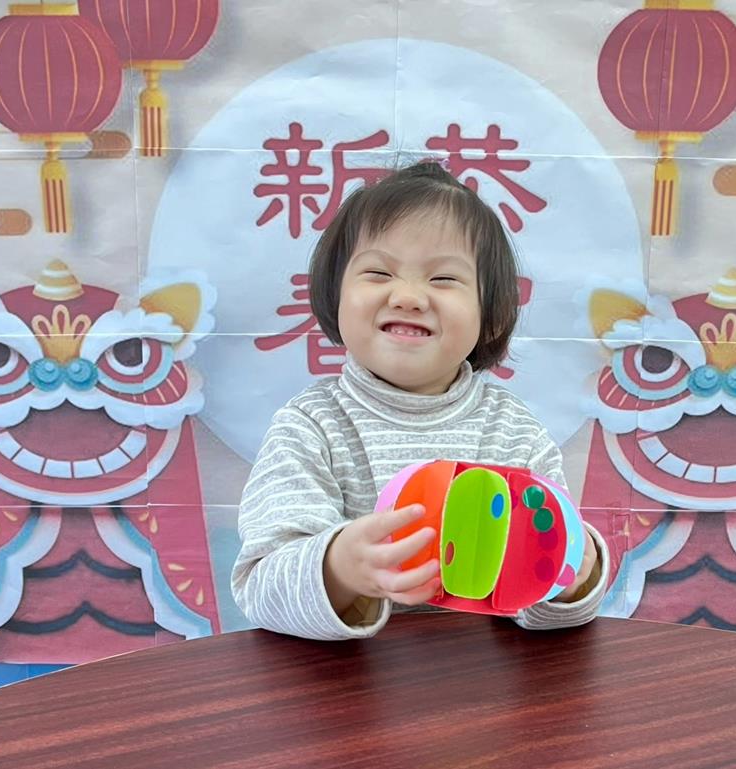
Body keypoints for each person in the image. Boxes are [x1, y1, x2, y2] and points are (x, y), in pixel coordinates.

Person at [232, 160, 609, 640]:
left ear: (491, 316)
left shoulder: (513, 430)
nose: (408, 297)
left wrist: (571, 582)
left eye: (443, 279)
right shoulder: (310, 426)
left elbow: (545, 613)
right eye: (378, 272)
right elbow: (260, 591)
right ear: (335, 296)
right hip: (346, 677)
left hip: (482, 671)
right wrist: (339, 568)